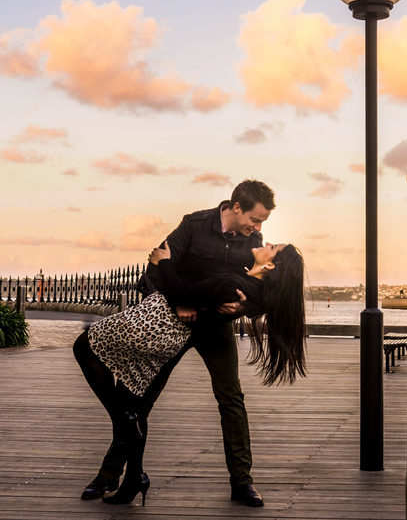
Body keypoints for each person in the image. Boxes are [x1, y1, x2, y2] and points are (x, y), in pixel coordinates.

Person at [76, 180, 279, 507]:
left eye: (262, 222)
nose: (258, 228)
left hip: (216, 328)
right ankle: (110, 474)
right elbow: (157, 265)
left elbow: (258, 293)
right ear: (236, 207)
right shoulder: (194, 225)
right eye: (255, 219)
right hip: (175, 326)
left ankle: (242, 482)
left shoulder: (252, 241)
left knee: (232, 399)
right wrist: (178, 303)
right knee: (142, 401)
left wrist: (243, 308)